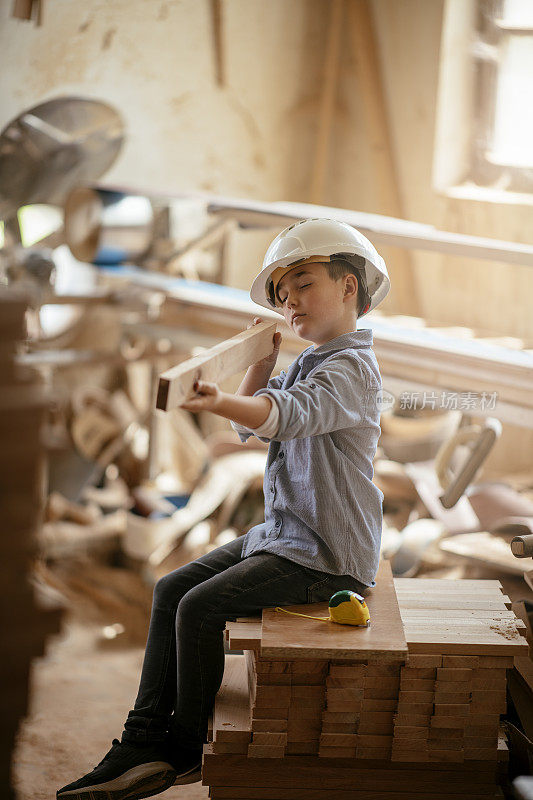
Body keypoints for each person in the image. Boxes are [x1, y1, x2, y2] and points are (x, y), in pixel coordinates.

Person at [57, 217, 390, 800]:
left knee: (201, 609)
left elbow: (287, 416)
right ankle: (138, 741)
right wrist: (261, 360)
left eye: (304, 283)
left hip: (328, 555)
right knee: (170, 591)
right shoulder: (313, 362)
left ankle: (182, 750)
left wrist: (213, 399)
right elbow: (252, 425)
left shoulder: (354, 370)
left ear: (349, 287)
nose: (291, 302)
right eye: (282, 295)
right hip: (290, 535)